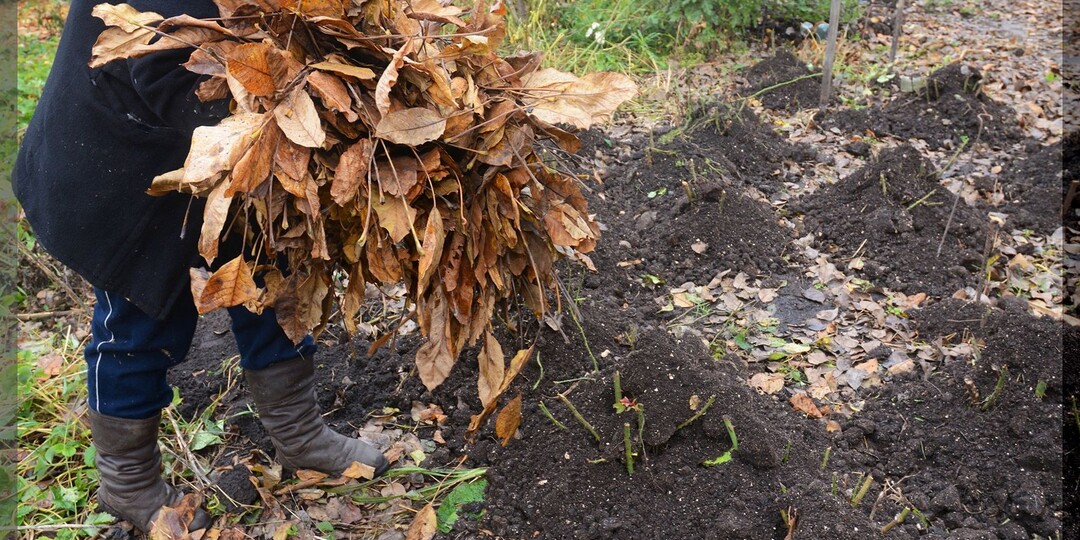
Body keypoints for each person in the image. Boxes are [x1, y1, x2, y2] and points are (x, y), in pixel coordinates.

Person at [13, 0, 389, 532]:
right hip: (123, 167)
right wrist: (296, 119)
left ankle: (299, 433)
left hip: (223, 151)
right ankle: (128, 482)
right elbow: (169, 71)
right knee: (141, 320)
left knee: (268, 274)